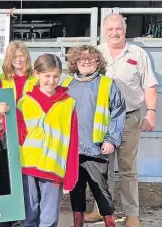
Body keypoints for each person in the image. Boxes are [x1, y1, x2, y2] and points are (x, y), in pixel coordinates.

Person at [86, 14, 159, 227]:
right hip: (102, 121)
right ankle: (101, 209)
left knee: (128, 169)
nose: (114, 33)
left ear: (125, 30)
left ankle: (131, 214)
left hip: (129, 118)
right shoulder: (96, 54)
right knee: (101, 168)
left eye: (118, 28)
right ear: (104, 31)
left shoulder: (138, 54)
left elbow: (150, 85)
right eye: (110, 29)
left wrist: (151, 111)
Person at [62, 45, 126, 227]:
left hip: (96, 149)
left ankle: (110, 223)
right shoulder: (66, 84)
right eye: (82, 58)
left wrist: (111, 139)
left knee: (101, 191)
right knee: (76, 190)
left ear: (99, 61)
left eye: (92, 58)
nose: (87, 61)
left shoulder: (107, 83)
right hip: (72, 149)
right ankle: (78, 224)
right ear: (75, 62)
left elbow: (118, 112)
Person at [16, 54, 79, 227]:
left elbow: (73, 143)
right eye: (47, 76)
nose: (51, 81)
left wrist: (71, 177)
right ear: (36, 74)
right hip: (27, 169)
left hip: (53, 170)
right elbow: (16, 138)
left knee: (49, 220)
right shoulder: (24, 102)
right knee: (28, 218)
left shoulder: (69, 104)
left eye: (56, 76)